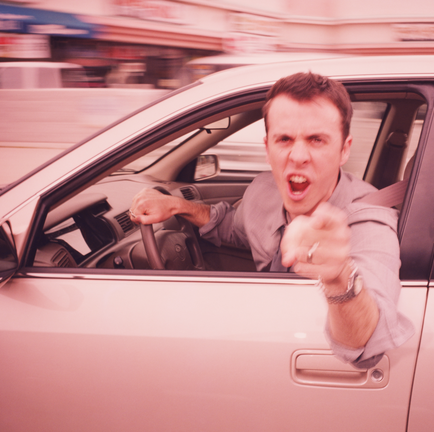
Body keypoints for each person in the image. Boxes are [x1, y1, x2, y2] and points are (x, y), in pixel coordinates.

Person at [129, 72, 413, 368]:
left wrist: (340, 276)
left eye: (317, 139)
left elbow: (367, 341)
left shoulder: (369, 222)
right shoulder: (262, 192)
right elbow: (230, 226)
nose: (298, 155)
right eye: (285, 139)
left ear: (344, 149)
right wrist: (177, 206)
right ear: (267, 148)